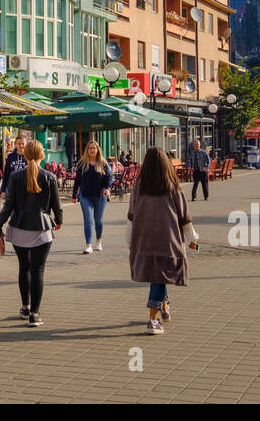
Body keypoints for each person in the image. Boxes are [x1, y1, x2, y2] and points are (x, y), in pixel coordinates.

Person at [0, 139, 63, 327]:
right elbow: (56, 206)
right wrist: (59, 221)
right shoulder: (49, 177)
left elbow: (9, 205)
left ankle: (25, 306)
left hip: (19, 228)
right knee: (38, 270)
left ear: (24, 155)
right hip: (41, 230)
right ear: (42, 155)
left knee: (24, 268)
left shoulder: (15, 177)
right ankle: (35, 314)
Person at [127, 146, 194, 335]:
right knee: (159, 276)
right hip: (168, 239)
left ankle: (164, 307)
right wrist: (191, 237)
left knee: (158, 275)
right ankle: (152, 320)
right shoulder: (171, 184)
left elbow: (131, 214)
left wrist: (130, 239)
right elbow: (183, 214)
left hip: (144, 238)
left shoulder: (138, 186)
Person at [71, 139, 112, 253]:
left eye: (94, 148)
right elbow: (77, 181)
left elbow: (108, 179)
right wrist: (74, 195)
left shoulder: (103, 164)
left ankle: (98, 241)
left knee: (98, 220)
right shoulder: (81, 164)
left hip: (100, 196)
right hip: (85, 196)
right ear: (87, 150)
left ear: (97, 150)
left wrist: (108, 189)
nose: (92, 150)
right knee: (88, 220)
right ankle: (88, 245)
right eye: (90, 148)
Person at [1, 134, 28, 201]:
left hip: (25, 188)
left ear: (26, 144)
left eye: (23, 144)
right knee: (12, 210)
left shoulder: (29, 157)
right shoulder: (10, 156)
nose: (21, 145)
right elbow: (6, 174)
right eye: (19, 144)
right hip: (11, 187)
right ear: (15, 144)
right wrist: (3, 190)